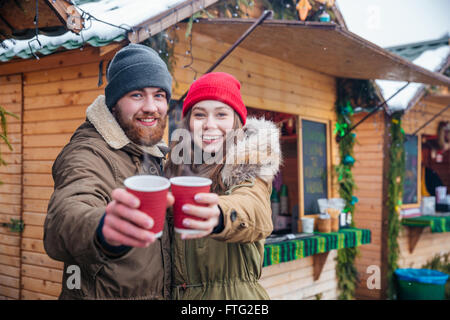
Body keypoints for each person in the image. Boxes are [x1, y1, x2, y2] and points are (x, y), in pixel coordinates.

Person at [44, 43, 179, 300]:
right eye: (137, 95)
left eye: (159, 95)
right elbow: (65, 214)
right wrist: (103, 229)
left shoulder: (151, 153)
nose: (151, 106)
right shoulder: (88, 152)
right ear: (114, 103)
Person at [165, 72, 281, 299]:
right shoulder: (172, 170)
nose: (210, 125)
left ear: (236, 122)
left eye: (221, 114)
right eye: (200, 115)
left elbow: (254, 207)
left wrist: (219, 214)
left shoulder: (249, 166)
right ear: (188, 122)